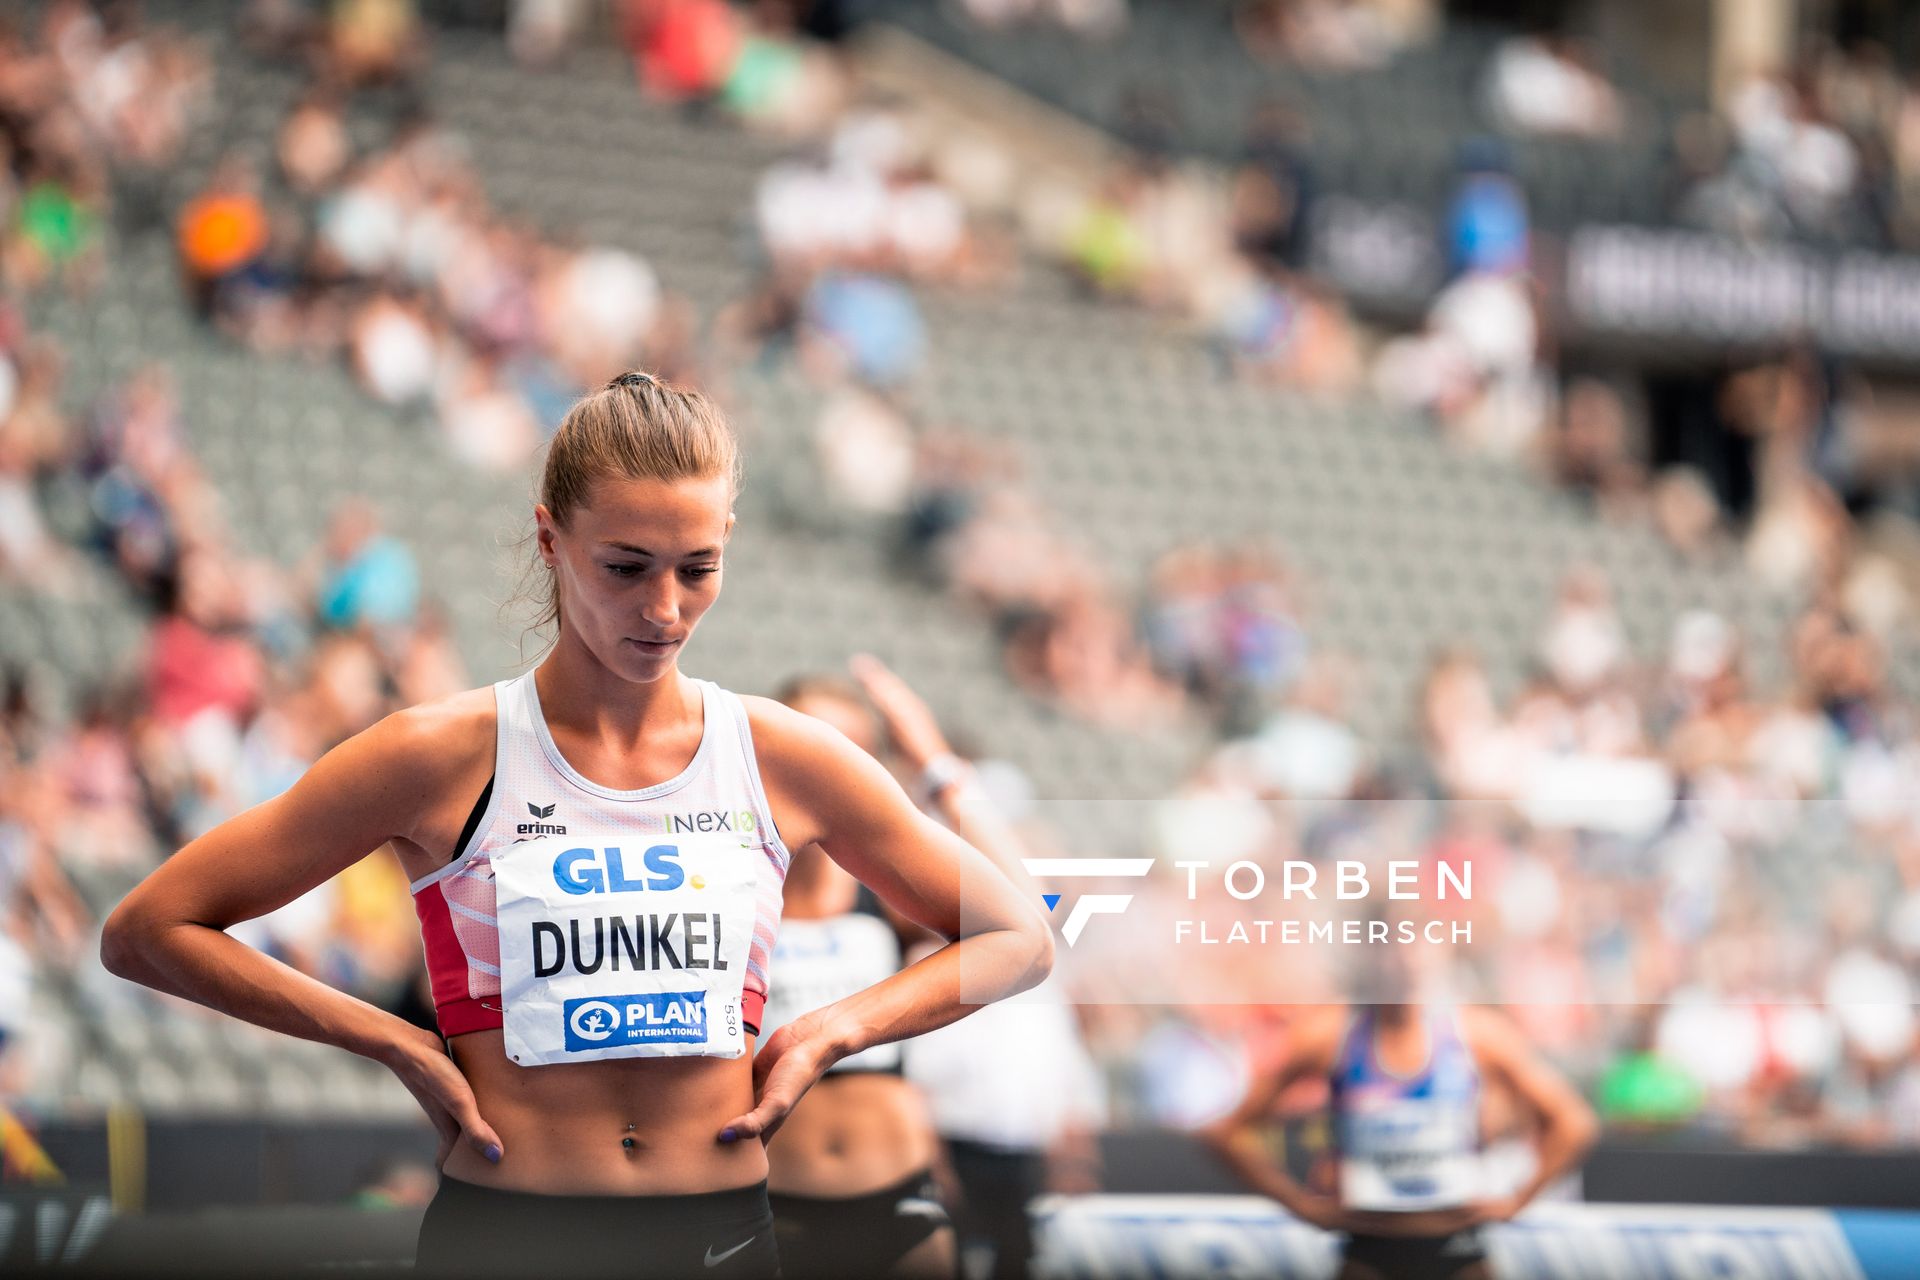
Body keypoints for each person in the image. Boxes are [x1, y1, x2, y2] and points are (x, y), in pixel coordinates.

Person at [99, 371, 1054, 1279]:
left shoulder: (779, 754)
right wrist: (391, 1040)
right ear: (551, 540)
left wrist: (831, 1033)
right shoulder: (441, 753)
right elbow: (148, 930)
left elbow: (1018, 936)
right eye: (626, 566)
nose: (665, 607)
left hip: (719, 1233)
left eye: (698, 567)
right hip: (512, 1235)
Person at [1201, 952, 1597, 1280]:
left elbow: (1574, 1123)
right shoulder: (1329, 1035)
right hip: (1368, 1247)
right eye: (1390, 950)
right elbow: (1225, 1131)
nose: (1402, 965)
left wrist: (1517, 1200)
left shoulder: (1475, 1034)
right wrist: (1300, 1205)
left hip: (1457, 1244)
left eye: (1412, 952)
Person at [759, 660, 962, 1280]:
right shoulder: (731, 884)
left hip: (897, 1196)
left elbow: (1034, 912)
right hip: (770, 1204)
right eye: (815, 742)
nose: (832, 768)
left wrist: (936, 765)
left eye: (851, 750)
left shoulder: (892, 895)